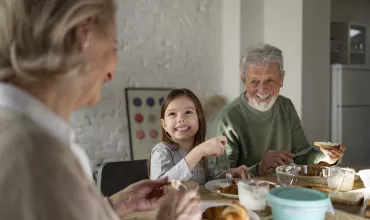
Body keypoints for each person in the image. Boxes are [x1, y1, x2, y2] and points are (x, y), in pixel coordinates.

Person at [0, 0, 201, 219]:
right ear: (82, 34)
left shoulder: (22, 133)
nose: (111, 73)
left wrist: (113, 206)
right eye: (113, 48)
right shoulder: (38, 156)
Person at [211, 43, 346, 176]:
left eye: (269, 81)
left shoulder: (286, 106)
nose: (262, 90)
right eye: (254, 82)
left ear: (281, 79)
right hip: (245, 195)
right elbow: (218, 175)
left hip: (284, 188)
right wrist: (259, 168)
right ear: (243, 81)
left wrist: (328, 158)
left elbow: (302, 156)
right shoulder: (227, 118)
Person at [149, 88, 250, 184]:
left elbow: (213, 177)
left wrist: (232, 172)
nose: (180, 118)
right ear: (164, 125)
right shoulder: (161, 152)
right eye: (172, 114)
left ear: (199, 119)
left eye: (188, 112)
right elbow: (159, 187)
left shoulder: (201, 157)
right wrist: (198, 152)